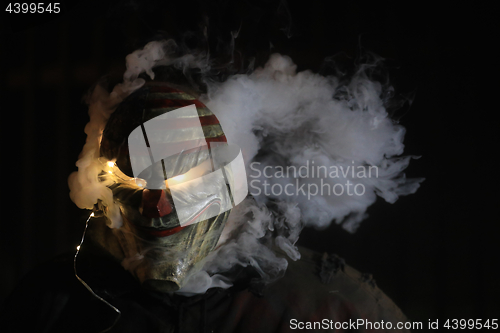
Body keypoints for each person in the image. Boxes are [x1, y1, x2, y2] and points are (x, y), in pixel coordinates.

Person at [0, 76, 412, 332]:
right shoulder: (52, 304)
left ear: (228, 181)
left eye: (181, 178)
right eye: (133, 180)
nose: (156, 204)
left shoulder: (333, 309)